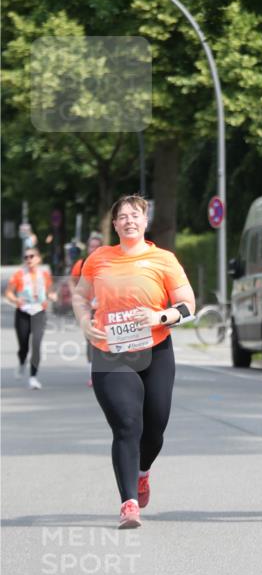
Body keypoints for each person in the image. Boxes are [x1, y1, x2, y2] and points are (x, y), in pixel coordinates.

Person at [72, 195, 195, 529]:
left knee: (154, 429)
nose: (128, 220)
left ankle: (142, 473)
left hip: (155, 350)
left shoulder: (164, 259)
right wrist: (84, 322)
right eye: (122, 216)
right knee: (127, 424)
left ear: (145, 221)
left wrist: (160, 315)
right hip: (111, 351)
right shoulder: (99, 259)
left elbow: (187, 304)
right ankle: (128, 503)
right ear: (114, 225)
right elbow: (80, 296)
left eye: (135, 215)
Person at [5, 246, 56, 389]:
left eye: (31, 256)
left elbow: (50, 291)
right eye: (26, 257)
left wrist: (52, 296)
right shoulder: (19, 274)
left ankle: (33, 377)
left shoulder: (45, 274)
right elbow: (8, 293)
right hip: (23, 312)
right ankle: (22, 362)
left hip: (39, 312)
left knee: (36, 344)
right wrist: (16, 300)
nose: (29, 259)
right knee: (23, 346)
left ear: (38, 258)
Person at [71, 232, 104, 386]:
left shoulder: (108, 262)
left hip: (106, 306)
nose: (94, 249)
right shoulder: (82, 263)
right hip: (88, 307)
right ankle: (93, 372)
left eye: (97, 247)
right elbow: (72, 281)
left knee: (107, 337)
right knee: (91, 339)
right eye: (91, 246)